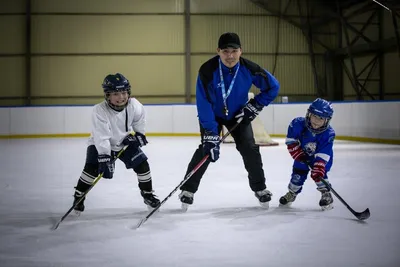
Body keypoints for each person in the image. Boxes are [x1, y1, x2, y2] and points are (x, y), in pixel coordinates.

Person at [179, 32, 280, 211]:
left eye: (234, 51)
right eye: (225, 51)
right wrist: (211, 133)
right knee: (206, 149)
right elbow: (203, 104)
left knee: (249, 148)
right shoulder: (207, 70)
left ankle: (260, 188)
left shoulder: (249, 68)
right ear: (218, 51)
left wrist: (255, 106)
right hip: (212, 115)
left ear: (241, 51)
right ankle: (188, 190)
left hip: (238, 115)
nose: (230, 56)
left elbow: (273, 87)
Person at [72, 73, 160, 213]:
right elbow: (101, 136)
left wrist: (138, 135)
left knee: (142, 164)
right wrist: (105, 156)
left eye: (124, 92)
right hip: (100, 144)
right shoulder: (99, 110)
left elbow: (139, 121)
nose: (121, 97)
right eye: (115, 93)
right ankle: (79, 196)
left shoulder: (134, 105)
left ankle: (147, 194)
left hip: (124, 143)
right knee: (91, 169)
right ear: (107, 95)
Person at [279, 98, 335, 210]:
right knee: (297, 176)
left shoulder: (328, 134)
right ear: (308, 114)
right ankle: (292, 193)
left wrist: (319, 165)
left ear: (327, 120)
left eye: (321, 118)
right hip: (302, 156)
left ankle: (326, 193)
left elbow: (324, 151)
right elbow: (291, 140)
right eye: (314, 116)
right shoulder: (297, 124)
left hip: (319, 158)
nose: (316, 121)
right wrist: (297, 153)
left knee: (320, 175)